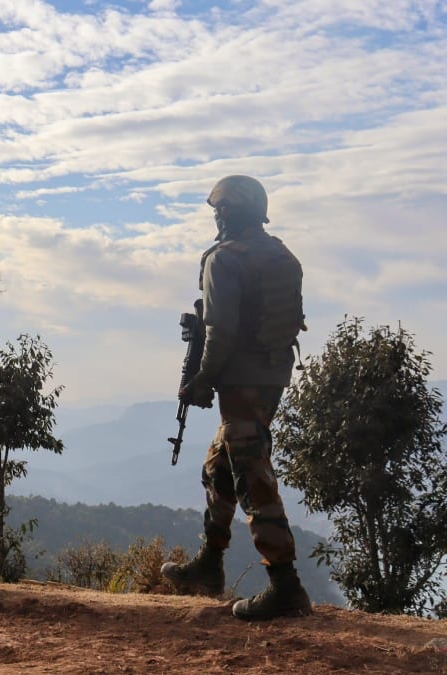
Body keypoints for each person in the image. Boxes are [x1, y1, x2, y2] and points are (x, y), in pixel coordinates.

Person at [161, 175, 313, 621]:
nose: (216, 218)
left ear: (228, 211)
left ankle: (286, 586)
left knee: (251, 472)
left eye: (218, 210)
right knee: (220, 464)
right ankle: (209, 565)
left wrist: (202, 379)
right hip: (271, 376)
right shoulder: (280, 255)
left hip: (241, 379)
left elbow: (221, 330)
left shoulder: (224, 259)